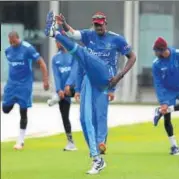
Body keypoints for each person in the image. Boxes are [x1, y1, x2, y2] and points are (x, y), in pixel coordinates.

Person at [44, 11, 136, 174]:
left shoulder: (116, 39)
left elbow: (132, 57)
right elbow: (74, 33)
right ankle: (96, 158)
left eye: (101, 24)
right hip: (90, 79)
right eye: (96, 25)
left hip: (105, 76)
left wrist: (119, 77)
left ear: (105, 24)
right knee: (84, 119)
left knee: (84, 55)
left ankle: (55, 34)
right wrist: (64, 24)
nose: (98, 27)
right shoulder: (88, 35)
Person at [2, 31, 49, 150]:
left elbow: (42, 63)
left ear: (18, 39)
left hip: (24, 85)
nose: (12, 43)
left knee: (23, 111)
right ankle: (13, 101)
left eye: (14, 41)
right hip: (12, 85)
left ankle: (20, 141)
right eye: (10, 41)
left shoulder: (28, 48)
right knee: (5, 109)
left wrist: (45, 80)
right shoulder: (7, 51)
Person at [47, 40, 77, 151]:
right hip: (64, 91)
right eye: (56, 42)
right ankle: (70, 142)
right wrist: (59, 89)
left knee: (87, 114)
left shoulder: (73, 54)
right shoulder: (55, 58)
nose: (57, 44)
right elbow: (56, 75)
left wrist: (68, 84)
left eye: (59, 41)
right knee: (64, 115)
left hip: (76, 87)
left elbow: (74, 71)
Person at [152, 37, 179, 155]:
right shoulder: (156, 64)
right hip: (168, 91)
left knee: (165, 111)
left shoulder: (177, 55)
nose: (155, 53)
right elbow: (158, 83)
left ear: (163, 50)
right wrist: (163, 102)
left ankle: (165, 110)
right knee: (167, 118)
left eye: (156, 51)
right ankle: (174, 146)